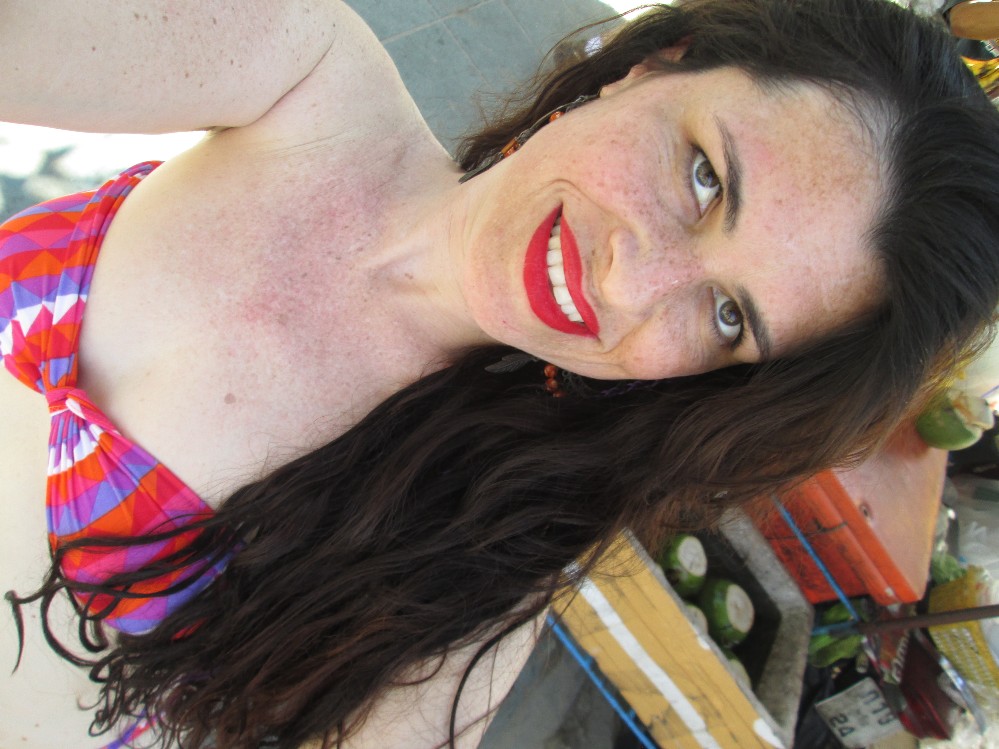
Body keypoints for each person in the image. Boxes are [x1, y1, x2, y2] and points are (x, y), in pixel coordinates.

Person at [1, 0, 998, 746]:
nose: (631, 282)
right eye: (704, 176)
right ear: (653, 65)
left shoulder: (456, 583)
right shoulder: (300, 70)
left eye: (728, 314)